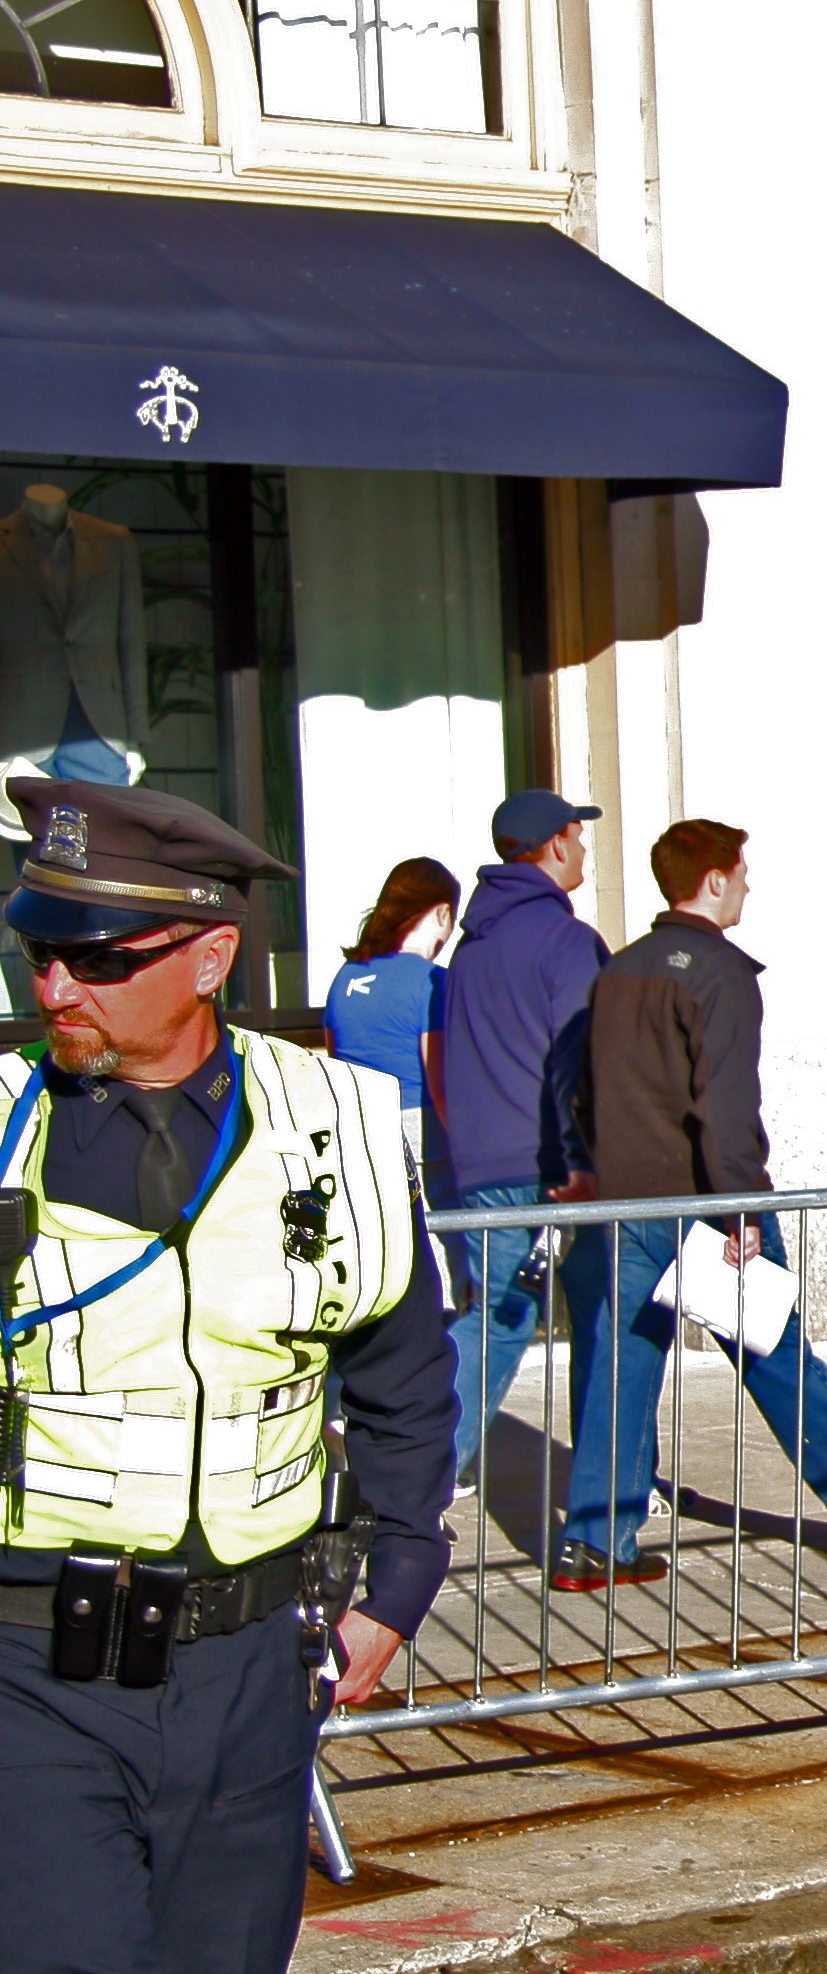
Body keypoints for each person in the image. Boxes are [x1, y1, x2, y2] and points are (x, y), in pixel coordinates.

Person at [0, 779, 452, 1974]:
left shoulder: (340, 1119)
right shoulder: (5, 1115)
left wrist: (399, 1578)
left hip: (251, 1669)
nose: (54, 989)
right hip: (32, 1662)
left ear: (211, 956)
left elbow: (402, 1371)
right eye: (36, 952)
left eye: (94, 960)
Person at [549, 820, 827, 1588]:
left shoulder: (618, 971)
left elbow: (583, 1089)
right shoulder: (720, 974)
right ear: (715, 879)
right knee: (775, 1352)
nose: (749, 884)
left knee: (619, 1370)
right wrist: (742, 1211)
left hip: (624, 1201)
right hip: (702, 1203)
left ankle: (596, 1542)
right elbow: (724, 1105)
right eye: (742, 871)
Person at [439, 789, 610, 1491]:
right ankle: (607, 1497)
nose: (586, 850)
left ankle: (406, 1463)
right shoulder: (567, 942)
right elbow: (583, 1060)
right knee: (605, 1326)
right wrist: (578, 1158)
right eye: (580, 834)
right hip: (556, 1168)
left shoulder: (467, 951)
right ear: (557, 843)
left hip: (483, 1163)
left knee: (494, 1321)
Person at [324, 857, 458, 1181]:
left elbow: (334, 1060)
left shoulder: (345, 978)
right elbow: (441, 1084)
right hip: (422, 1144)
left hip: (358, 1136)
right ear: (442, 913)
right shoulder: (433, 982)